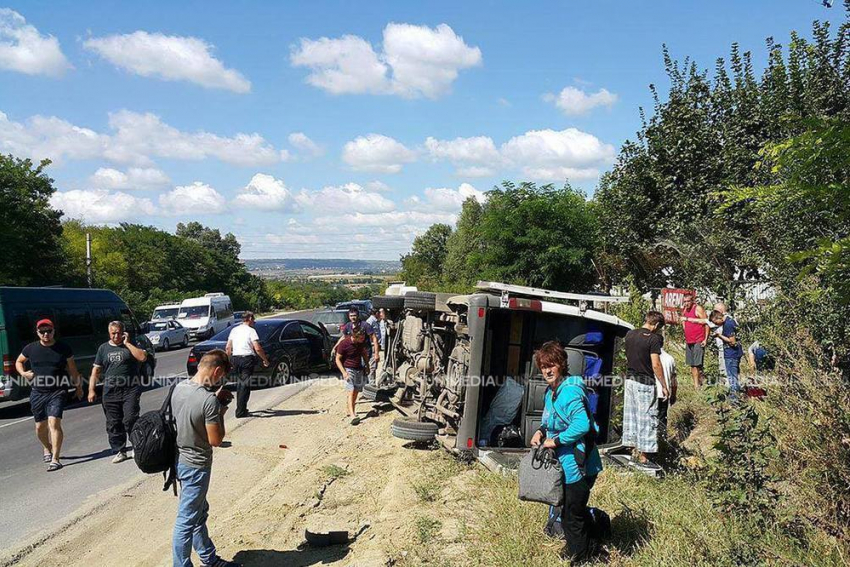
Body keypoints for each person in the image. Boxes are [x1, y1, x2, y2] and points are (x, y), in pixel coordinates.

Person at [530, 341, 604, 562]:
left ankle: (580, 557)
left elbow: (582, 425)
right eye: (543, 366)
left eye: (551, 365)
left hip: (578, 465)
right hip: (564, 464)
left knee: (572, 515)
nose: (547, 370)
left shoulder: (570, 391)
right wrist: (541, 432)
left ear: (561, 364)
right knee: (572, 511)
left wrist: (557, 441)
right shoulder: (551, 392)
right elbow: (550, 420)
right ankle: (591, 548)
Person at [171, 349, 241, 567]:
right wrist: (219, 410)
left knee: (198, 513)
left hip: (179, 460)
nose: (220, 380)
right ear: (217, 370)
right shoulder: (208, 400)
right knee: (186, 521)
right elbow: (216, 440)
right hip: (197, 465)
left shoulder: (179, 388)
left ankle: (209, 558)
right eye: (221, 376)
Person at [15, 319, 83, 472]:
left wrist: (78, 387)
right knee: (40, 427)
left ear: (54, 331)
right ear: (37, 332)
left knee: (54, 423)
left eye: (49, 331)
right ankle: (47, 448)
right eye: (42, 331)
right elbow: (19, 362)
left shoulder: (63, 348)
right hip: (38, 392)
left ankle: (55, 459)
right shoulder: (30, 348)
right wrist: (23, 373)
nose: (46, 334)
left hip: (58, 391)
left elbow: (72, 369)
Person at [89, 321, 148, 464]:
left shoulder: (131, 345)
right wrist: (91, 389)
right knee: (113, 422)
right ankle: (120, 450)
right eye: (113, 333)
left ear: (123, 332)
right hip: (110, 390)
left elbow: (142, 357)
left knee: (130, 419)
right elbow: (96, 371)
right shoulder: (103, 348)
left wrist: (127, 343)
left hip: (130, 389)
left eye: (118, 332)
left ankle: (136, 445)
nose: (116, 336)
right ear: (109, 333)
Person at [622, 311, 669, 465]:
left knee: (631, 417)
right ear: (656, 325)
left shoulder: (629, 334)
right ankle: (645, 458)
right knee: (647, 418)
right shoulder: (653, 339)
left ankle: (628, 453)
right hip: (645, 382)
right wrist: (663, 385)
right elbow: (655, 364)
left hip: (630, 380)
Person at [225, 311, 270, 418]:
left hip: (236, 359)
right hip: (247, 359)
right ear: (249, 318)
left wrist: (228, 361)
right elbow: (257, 348)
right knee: (244, 385)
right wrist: (265, 360)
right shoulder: (251, 331)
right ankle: (241, 411)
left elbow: (228, 347)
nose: (254, 322)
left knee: (241, 383)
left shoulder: (234, 330)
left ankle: (241, 409)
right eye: (253, 319)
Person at [335, 325, 369, 425]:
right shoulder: (344, 344)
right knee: (351, 391)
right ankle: (352, 415)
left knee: (356, 392)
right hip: (349, 369)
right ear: (354, 336)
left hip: (359, 369)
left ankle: (350, 410)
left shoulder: (360, 343)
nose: (363, 339)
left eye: (363, 337)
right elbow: (337, 359)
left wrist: (367, 366)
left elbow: (364, 354)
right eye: (361, 338)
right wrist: (344, 373)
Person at [710, 310, 744, 396]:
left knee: (732, 378)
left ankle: (734, 400)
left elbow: (732, 342)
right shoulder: (730, 320)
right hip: (735, 353)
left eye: (716, 322)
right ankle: (737, 396)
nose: (716, 325)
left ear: (719, 318)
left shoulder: (728, 325)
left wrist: (719, 336)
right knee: (735, 376)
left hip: (731, 354)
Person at [680, 291, 709, 388]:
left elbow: (706, 323)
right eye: (684, 301)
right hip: (689, 341)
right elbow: (683, 323)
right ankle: (696, 384)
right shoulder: (684, 310)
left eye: (688, 301)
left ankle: (701, 383)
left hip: (698, 339)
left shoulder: (698, 309)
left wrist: (705, 339)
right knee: (692, 364)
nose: (686, 303)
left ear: (692, 301)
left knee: (698, 364)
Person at [658, 348, 678, 433]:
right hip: (664, 395)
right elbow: (674, 380)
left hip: (651, 393)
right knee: (662, 420)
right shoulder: (670, 358)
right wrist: (673, 395)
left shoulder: (648, 356)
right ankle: (662, 442)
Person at [365, 309, 380, 383]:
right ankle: (371, 384)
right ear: (376, 313)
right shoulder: (370, 321)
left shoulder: (375, 320)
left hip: (375, 345)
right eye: (379, 313)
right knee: (372, 367)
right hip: (372, 346)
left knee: (374, 366)